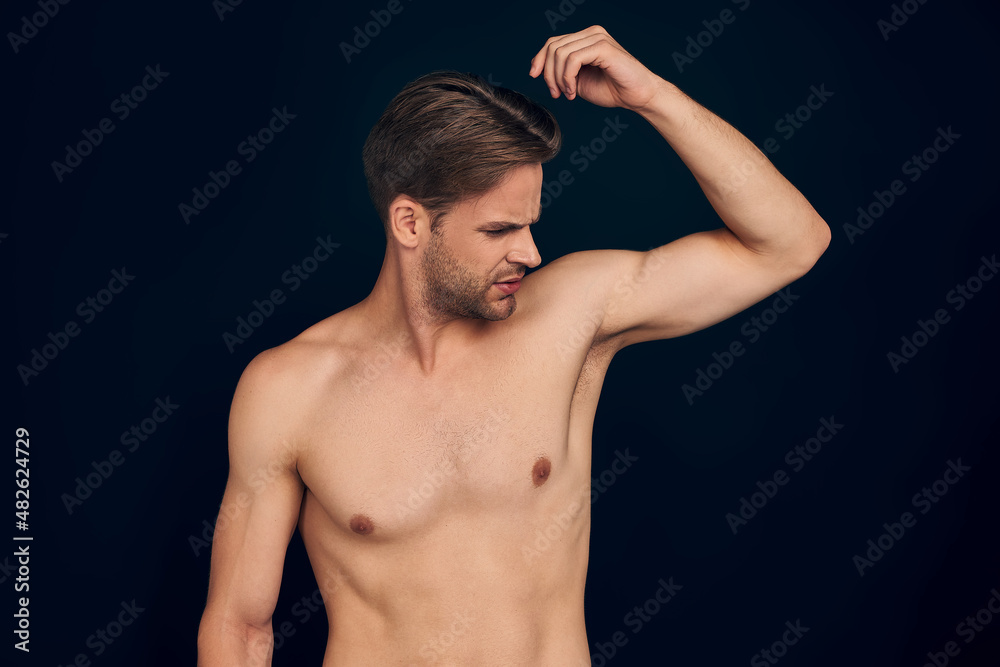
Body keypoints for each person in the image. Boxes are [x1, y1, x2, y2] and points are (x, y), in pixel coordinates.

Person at [197, 25, 830, 666]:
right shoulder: (288, 390)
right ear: (409, 221)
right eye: (499, 229)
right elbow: (240, 627)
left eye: (529, 223)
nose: (528, 251)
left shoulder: (571, 316)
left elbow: (790, 243)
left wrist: (653, 97)